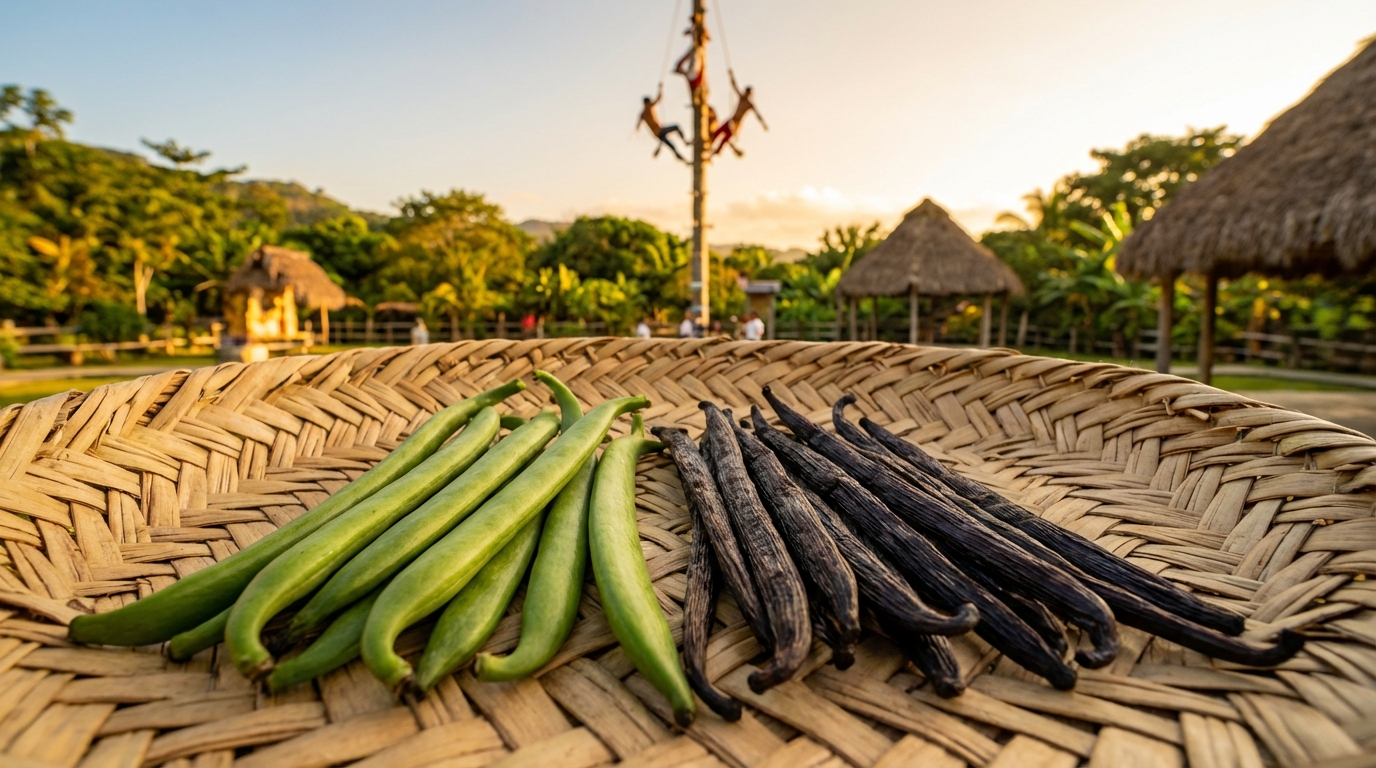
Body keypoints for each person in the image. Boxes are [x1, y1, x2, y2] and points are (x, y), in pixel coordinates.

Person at [711, 71, 767, 158]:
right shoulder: (741, 97)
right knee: (719, 131)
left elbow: (758, 115)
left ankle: (718, 150)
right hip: (731, 119)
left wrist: (763, 124)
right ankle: (710, 142)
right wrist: (731, 75)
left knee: (726, 137)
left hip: (736, 123)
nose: (746, 94)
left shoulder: (749, 104)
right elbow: (734, 86)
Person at [637, 85, 688, 163]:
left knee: (672, 147)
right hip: (661, 130)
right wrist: (660, 88)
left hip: (657, 134)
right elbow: (659, 98)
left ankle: (683, 160)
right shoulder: (649, 106)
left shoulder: (642, 114)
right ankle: (685, 142)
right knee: (676, 127)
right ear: (647, 102)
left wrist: (637, 129)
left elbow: (638, 125)